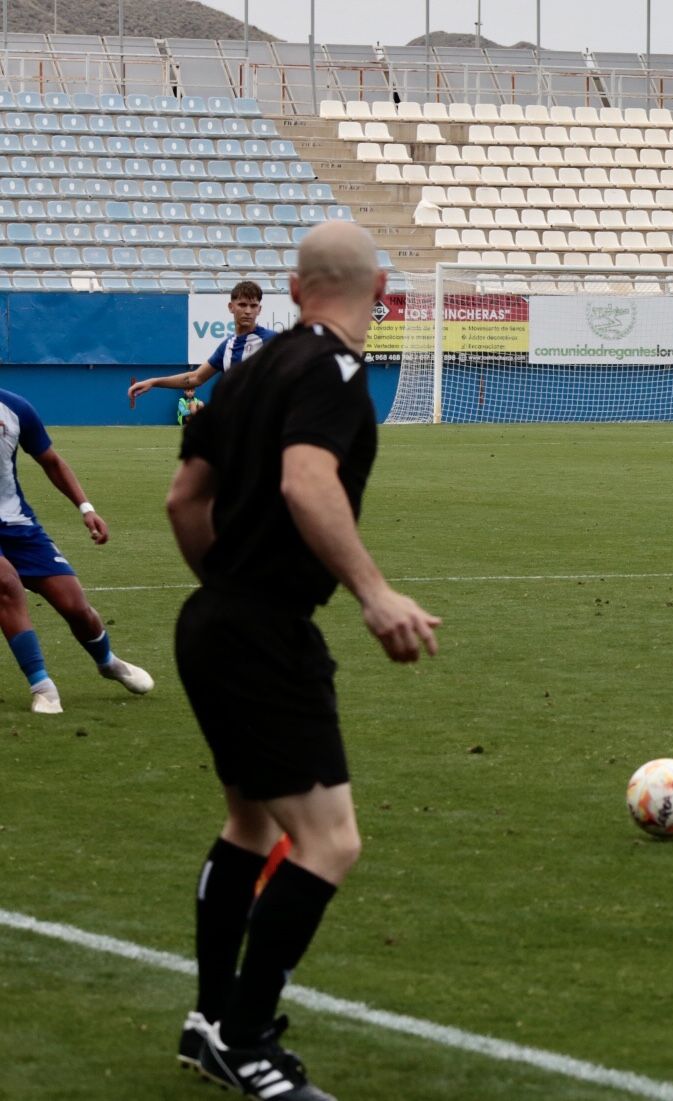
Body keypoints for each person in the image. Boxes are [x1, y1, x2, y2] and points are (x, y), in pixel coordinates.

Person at [165, 221, 442, 1099]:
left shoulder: (250, 371)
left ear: (292, 288)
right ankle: (248, 1040)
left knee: (249, 824)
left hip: (209, 620)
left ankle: (209, 1024)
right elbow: (305, 480)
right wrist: (374, 591)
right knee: (330, 840)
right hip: (263, 632)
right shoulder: (335, 371)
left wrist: (226, 587)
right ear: (382, 289)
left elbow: (183, 499)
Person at [0, 388, 154, 714]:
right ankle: (42, 686)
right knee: (6, 583)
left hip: (16, 523)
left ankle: (107, 662)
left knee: (75, 606)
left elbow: (51, 462)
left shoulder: (15, 408)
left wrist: (86, 508)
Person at [129, 281, 275, 407]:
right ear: (231, 307)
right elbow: (196, 377)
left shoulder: (272, 341)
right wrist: (154, 382)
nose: (248, 311)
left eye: (253, 306)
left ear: (259, 309)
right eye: (242, 305)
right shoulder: (227, 346)